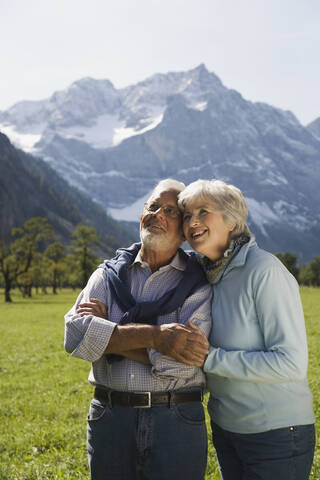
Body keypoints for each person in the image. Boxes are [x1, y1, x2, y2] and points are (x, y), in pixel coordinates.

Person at [64, 178, 212, 480]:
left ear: (185, 231)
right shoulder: (107, 275)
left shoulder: (199, 283)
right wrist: (156, 337)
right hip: (110, 417)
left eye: (170, 211)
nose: (157, 214)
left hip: (176, 420)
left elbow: (186, 362)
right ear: (140, 215)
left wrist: (108, 334)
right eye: (152, 206)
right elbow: (76, 336)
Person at [178, 178, 316, 480]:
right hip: (228, 430)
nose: (193, 222)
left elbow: (290, 363)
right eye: (187, 215)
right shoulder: (210, 274)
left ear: (231, 220)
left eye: (203, 212)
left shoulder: (264, 271)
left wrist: (210, 358)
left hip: (275, 435)